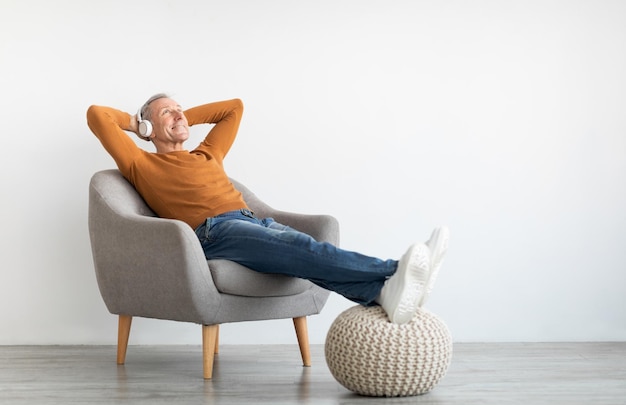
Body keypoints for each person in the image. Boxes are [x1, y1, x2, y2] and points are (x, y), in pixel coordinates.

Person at [86, 94, 449, 325]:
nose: (179, 115)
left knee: (309, 254)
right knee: (306, 249)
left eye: (181, 109)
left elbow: (234, 108)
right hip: (215, 233)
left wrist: (180, 116)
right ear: (148, 128)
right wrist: (139, 125)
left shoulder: (207, 153)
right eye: (168, 112)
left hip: (253, 222)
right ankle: (395, 270)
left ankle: (381, 294)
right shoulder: (141, 164)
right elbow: (97, 115)